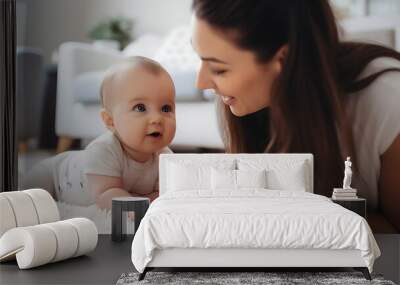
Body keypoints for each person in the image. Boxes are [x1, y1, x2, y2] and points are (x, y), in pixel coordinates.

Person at [191, 0, 400, 232]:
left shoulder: (387, 100)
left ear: (283, 58)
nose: (201, 82)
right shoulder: (235, 106)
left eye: (219, 69)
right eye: (200, 59)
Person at [22, 57, 176, 210]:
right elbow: (106, 196)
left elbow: (166, 194)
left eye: (166, 108)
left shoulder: (165, 157)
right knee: (27, 197)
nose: (157, 118)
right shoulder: (104, 150)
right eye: (140, 108)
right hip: (55, 175)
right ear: (110, 121)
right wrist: (145, 203)